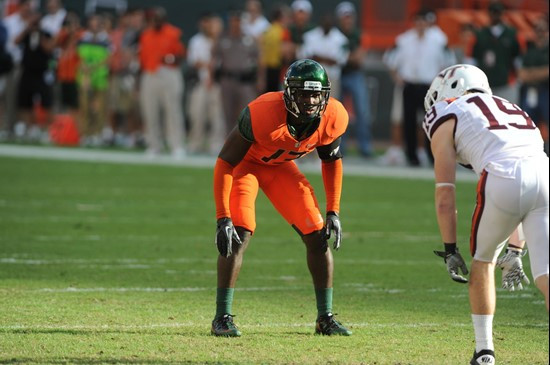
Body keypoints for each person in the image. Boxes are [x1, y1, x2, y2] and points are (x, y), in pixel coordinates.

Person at [211, 59, 352, 337]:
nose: (310, 100)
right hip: (245, 167)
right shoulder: (262, 112)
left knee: (316, 233)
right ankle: (222, 317)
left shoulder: (333, 116)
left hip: (280, 169)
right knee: (238, 234)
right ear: (289, 93)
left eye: (315, 94)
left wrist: (333, 211)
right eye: (302, 93)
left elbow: (332, 162)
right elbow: (226, 162)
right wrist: (222, 217)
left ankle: (325, 317)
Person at [423, 64, 548, 364]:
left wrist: (450, 249)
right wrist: (516, 248)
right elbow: (526, 174)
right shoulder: (512, 108)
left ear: (450, 89)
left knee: (482, 263)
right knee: (546, 275)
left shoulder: (447, 112)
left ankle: (484, 353)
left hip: (503, 176)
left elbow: (445, 194)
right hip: (545, 175)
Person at [390, 8, 455, 167]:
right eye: (417, 21)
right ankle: (412, 156)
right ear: (413, 23)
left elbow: (448, 62)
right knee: (409, 122)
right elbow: (391, 60)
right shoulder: (404, 39)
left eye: (423, 21)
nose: (420, 24)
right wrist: (397, 78)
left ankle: (431, 154)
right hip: (410, 85)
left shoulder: (438, 40)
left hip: (429, 87)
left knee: (431, 121)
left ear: (428, 23)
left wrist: (440, 84)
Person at [138, 7, 185, 159]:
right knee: (150, 111)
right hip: (150, 74)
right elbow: (142, 58)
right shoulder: (146, 35)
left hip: (168, 72)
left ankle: (176, 146)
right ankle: (154, 145)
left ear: (164, 19)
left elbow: (181, 55)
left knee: (172, 111)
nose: (156, 20)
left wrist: (169, 58)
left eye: (158, 18)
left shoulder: (173, 33)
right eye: (154, 18)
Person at [212, 10, 260, 132]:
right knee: (228, 113)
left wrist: (260, 78)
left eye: (238, 20)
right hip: (227, 79)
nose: (235, 23)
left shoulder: (249, 39)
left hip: (245, 80)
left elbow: (259, 59)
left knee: (249, 111)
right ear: (229, 22)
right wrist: (212, 77)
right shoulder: (223, 39)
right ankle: (228, 142)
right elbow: (214, 57)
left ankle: (248, 141)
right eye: (233, 20)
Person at [335, 1, 372, 157]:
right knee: (337, 113)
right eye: (345, 17)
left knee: (362, 111)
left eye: (349, 17)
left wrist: (342, 57)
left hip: (354, 74)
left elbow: (358, 58)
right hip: (338, 75)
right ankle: (339, 147)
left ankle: (365, 148)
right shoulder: (335, 34)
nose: (347, 20)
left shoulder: (359, 35)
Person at [186, 12, 226, 155]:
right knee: (196, 114)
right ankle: (195, 143)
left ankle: (215, 144)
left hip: (217, 83)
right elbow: (194, 61)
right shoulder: (196, 40)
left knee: (217, 116)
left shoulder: (221, 41)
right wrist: (208, 65)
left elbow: (222, 62)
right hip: (200, 82)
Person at [470, 2, 521, 104]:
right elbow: (472, 60)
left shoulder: (512, 34)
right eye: (493, 13)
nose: (496, 16)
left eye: (498, 13)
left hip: (506, 84)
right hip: (484, 85)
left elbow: (518, 59)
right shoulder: (480, 35)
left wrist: (518, 80)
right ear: (489, 14)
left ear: (503, 14)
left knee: (507, 116)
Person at [517, 16, 549, 152]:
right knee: (528, 126)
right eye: (537, 29)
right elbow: (522, 74)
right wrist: (539, 73)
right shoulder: (530, 49)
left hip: (546, 91)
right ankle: (531, 153)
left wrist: (532, 74)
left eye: (542, 29)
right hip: (530, 92)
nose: (539, 32)